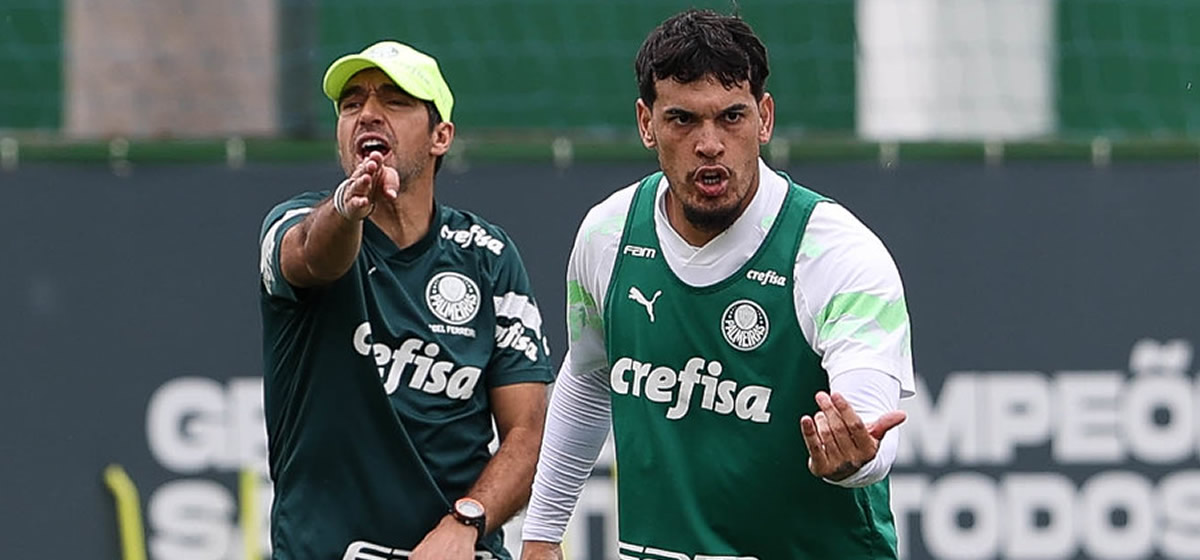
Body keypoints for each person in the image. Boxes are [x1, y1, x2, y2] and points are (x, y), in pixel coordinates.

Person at [520, 9, 915, 560]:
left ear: (765, 118)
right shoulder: (607, 234)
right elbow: (588, 380)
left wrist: (854, 459)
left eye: (732, 117)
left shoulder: (837, 253)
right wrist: (540, 536)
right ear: (646, 123)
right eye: (683, 119)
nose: (710, 143)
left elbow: (870, 420)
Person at [258, 40, 554, 560]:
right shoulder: (300, 222)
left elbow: (529, 431)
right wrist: (348, 211)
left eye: (394, 101)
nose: (367, 113)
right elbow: (309, 256)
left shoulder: (488, 256)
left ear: (441, 136)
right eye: (352, 103)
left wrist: (466, 523)